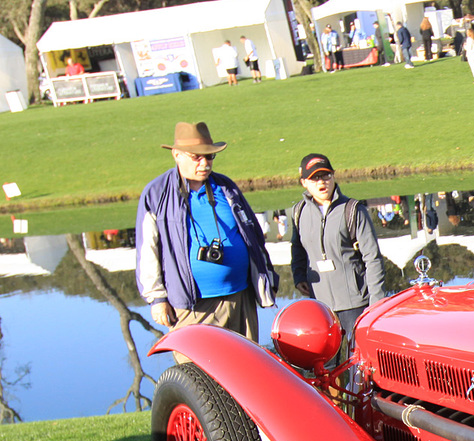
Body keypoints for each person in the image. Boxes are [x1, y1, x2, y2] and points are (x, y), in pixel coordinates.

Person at [136, 122, 278, 346]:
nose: (205, 163)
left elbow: (253, 236)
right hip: (191, 307)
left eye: (210, 157)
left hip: (240, 298)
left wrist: (266, 278)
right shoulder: (156, 194)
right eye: (196, 157)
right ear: (176, 155)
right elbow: (148, 250)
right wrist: (157, 299)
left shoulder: (226, 187)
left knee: (244, 374)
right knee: (198, 377)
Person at [288, 153, 386, 348]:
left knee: (360, 361)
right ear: (304, 183)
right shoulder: (298, 212)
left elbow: (373, 259)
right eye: (314, 178)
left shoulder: (353, 210)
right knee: (325, 365)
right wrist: (299, 277)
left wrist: (377, 304)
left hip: (356, 304)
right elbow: (297, 249)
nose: (321, 182)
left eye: (326, 176)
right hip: (319, 306)